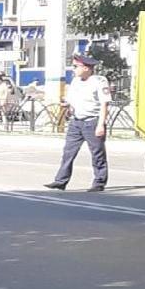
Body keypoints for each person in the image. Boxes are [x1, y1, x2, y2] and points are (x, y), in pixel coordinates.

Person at [45, 54, 111, 192]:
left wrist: (100, 125)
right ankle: (61, 181)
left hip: (92, 122)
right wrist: (67, 106)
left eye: (76, 66)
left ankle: (99, 182)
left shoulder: (99, 81)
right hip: (76, 122)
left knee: (97, 153)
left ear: (86, 68)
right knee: (68, 152)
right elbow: (71, 100)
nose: (73, 69)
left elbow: (104, 104)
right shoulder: (75, 81)